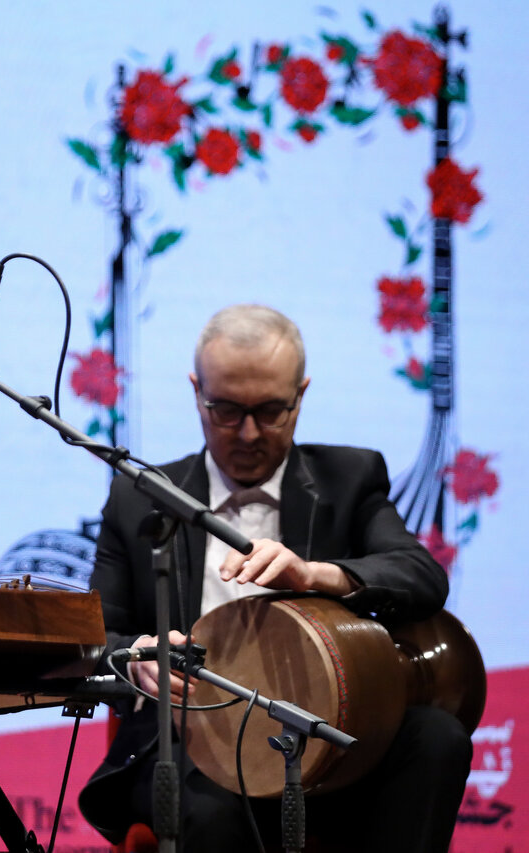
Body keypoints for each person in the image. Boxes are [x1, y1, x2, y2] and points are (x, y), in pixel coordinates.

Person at [78, 304, 472, 853]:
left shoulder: (350, 478)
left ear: (300, 394)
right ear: (197, 392)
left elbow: (421, 577)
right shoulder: (141, 496)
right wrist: (138, 656)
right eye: (225, 410)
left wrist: (317, 574)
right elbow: (97, 637)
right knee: (213, 815)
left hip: (330, 737)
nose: (247, 433)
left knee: (437, 738)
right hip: (193, 746)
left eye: (270, 411)